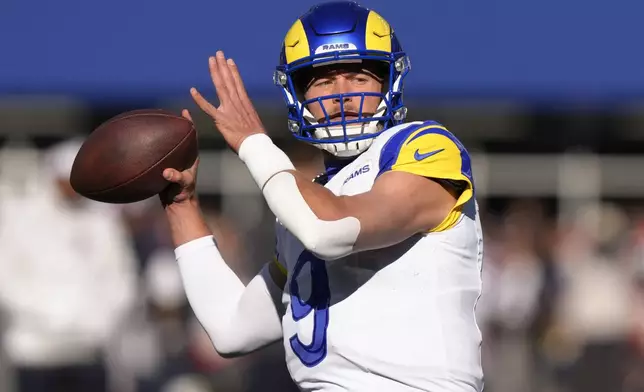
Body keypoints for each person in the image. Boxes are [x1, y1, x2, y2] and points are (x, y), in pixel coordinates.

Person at [160, 1, 484, 391]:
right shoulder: (304, 202)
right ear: (297, 94)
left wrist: (254, 144)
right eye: (323, 81)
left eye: (359, 76)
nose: (342, 95)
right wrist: (182, 205)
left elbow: (330, 230)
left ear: (388, 81)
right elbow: (231, 328)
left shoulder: (424, 147)